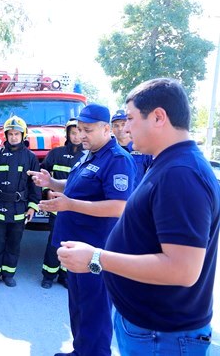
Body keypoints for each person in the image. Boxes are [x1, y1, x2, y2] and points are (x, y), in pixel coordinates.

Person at [58, 78, 219, 356]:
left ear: (158, 117)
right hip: (152, 330)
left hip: (163, 335)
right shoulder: (168, 164)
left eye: (131, 118)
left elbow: (182, 269)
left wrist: (96, 258)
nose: (126, 128)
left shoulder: (181, 174)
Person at [28, 103, 136, 356]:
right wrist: (52, 182)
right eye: (79, 129)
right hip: (76, 250)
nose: (82, 135)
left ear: (106, 129)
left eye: (87, 130)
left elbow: (119, 206)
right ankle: (80, 352)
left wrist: (69, 204)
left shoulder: (118, 160)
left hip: (95, 251)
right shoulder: (90, 155)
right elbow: (77, 185)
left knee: (95, 313)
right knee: (78, 308)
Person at [0, 116, 40, 288]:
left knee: (13, 244)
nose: (14, 137)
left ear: (23, 135)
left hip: (19, 210)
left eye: (17, 134)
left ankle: (8, 275)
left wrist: (32, 206)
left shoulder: (30, 158)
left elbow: (34, 185)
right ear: (5, 135)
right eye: (11, 133)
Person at [39, 118, 83, 289]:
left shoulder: (89, 156)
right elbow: (44, 174)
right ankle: (48, 275)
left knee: (71, 243)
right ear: (68, 134)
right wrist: (46, 192)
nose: (77, 136)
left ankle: (64, 275)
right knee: (55, 241)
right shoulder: (55, 153)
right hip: (57, 208)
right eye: (73, 132)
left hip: (76, 209)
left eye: (80, 132)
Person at [111, 109, 153, 185]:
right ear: (112, 129)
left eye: (123, 124)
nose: (120, 129)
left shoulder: (142, 148)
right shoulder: (108, 151)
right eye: (116, 126)